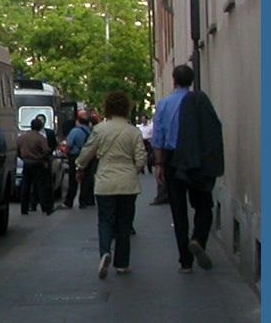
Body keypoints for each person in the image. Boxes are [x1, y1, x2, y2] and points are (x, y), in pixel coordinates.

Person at [152, 64, 224, 273]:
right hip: (195, 158)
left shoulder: (164, 105)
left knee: (179, 210)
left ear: (174, 80)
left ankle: (185, 262)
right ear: (191, 81)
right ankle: (198, 239)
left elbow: (158, 138)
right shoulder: (200, 102)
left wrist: (159, 165)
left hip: (173, 159)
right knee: (203, 205)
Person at [77, 91, 147, 278]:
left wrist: (79, 166)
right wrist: (135, 169)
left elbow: (87, 151)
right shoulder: (133, 131)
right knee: (124, 223)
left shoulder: (100, 129)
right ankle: (122, 263)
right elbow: (141, 158)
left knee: (105, 220)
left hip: (105, 181)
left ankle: (105, 252)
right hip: (127, 182)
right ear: (126, 108)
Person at [17, 117, 53, 215]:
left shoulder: (22, 137)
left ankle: (24, 208)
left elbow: (17, 150)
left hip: (26, 163)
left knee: (25, 187)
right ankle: (45, 208)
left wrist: (22, 157)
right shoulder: (41, 138)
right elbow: (46, 150)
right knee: (40, 186)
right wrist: (43, 157)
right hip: (38, 163)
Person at [63, 111, 92, 209]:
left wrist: (66, 152)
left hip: (75, 156)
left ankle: (69, 201)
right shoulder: (90, 131)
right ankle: (83, 202)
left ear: (78, 122)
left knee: (73, 180)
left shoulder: (75, 131)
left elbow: (69, 144)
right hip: (88, 157)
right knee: (86, 180)